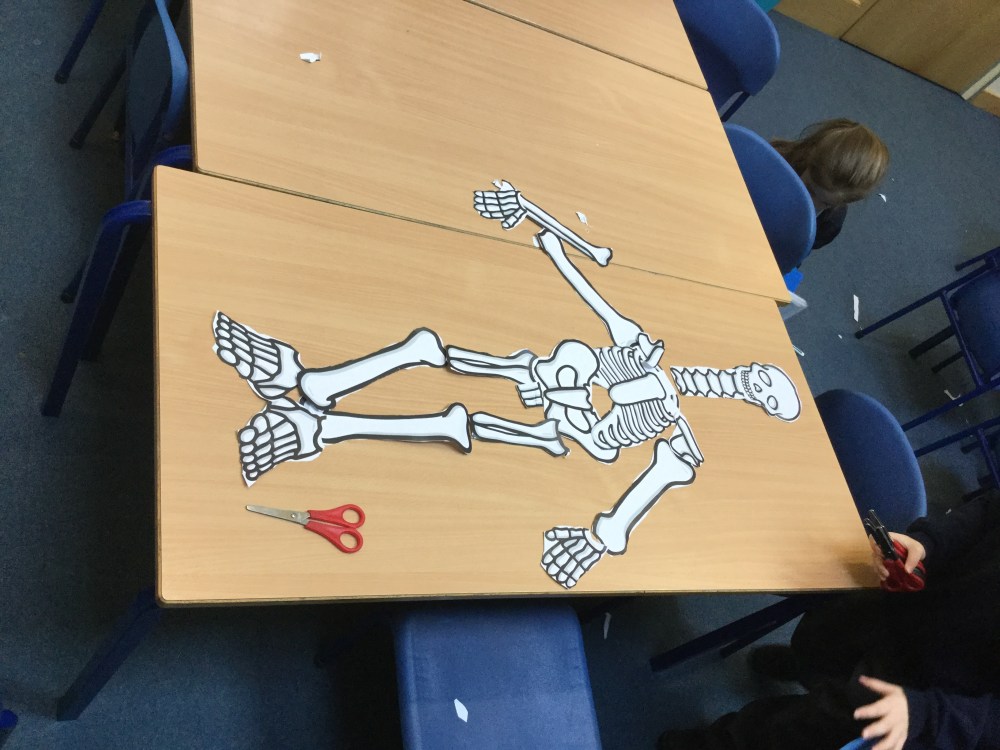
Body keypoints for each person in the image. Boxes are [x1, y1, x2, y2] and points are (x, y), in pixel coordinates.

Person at [658, 493, 1000, 750]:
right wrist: (927, 543)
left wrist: (929, 715)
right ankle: (804, 669)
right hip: (906, 603)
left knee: (800, 729)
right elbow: (987, 511)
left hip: (925, 690)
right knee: (818, 639)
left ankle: (720, 742)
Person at [771, 118, 890, 251]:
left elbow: (794, 253)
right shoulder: (774, 159)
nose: (810, 203)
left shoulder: (829, 224)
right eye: (809, 189)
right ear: (810, 156)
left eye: (825, 203)